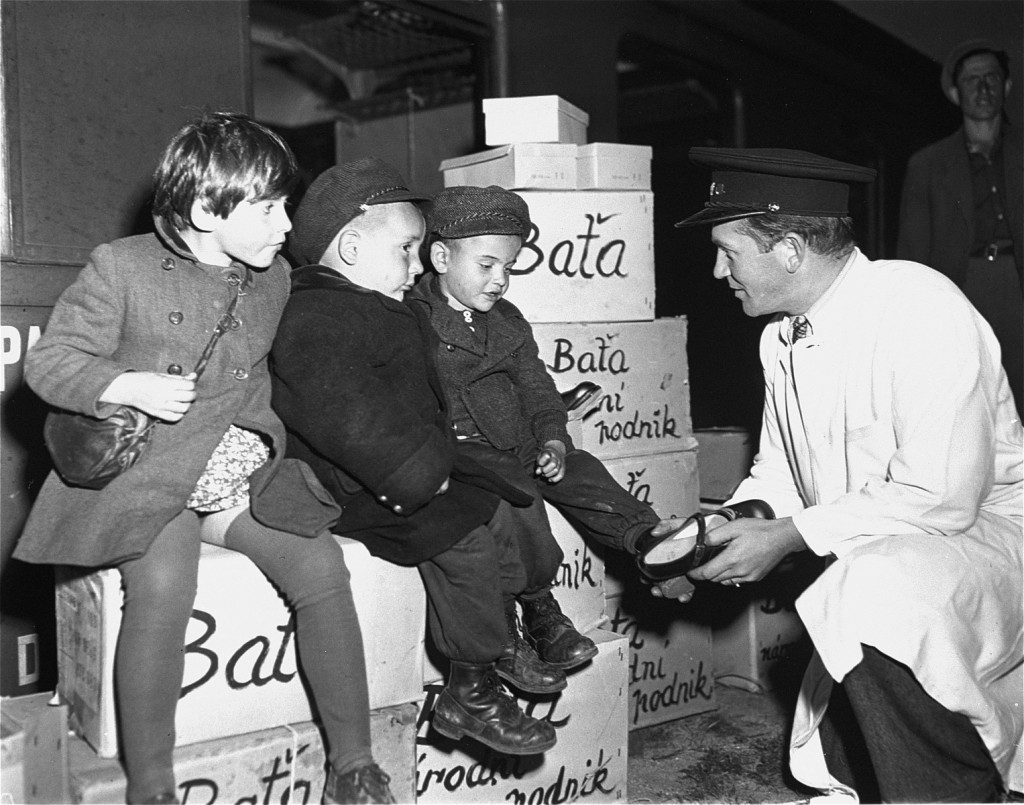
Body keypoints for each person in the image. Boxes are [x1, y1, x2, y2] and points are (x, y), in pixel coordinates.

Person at [13, 112, 394, 804]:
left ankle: (354, 764)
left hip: (232, 473)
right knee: (163, 589)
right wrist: (124, 385)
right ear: (202, 209)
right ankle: (151, 786)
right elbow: (48, 363)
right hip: (147, 477)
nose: (286, 224)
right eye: (270, 206)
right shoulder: (121, 266)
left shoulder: (274, 277)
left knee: (322, 568)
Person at [675, 146, 1023, 803]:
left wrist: (789, 536)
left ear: (789, 250)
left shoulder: (920, 306)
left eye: (729, 249)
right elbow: (777, 474)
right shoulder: (780, 339)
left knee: (870, 592)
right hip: (885, 552)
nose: (718, 269)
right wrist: (721, 527)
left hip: (988, 543)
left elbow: (943, 496)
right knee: (864, 599)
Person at [268, 158, 560, 759]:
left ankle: (508, 632)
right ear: (350, 247)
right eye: (405, 250)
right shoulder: (316, 313)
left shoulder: (377, 303)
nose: (414, 265)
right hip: (362, 483)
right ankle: (470, 684)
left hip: (412, 461)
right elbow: (346, 418)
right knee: (465, 537)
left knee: (507, 502)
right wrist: (422, 477)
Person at [407, 184, 693, 668]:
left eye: (509, 268)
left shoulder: (508, 320)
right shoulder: (412, 316)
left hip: (515, 438)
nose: (501, 280)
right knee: (520, 496)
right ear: (440, 257)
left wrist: (554, 440)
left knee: (582, 470)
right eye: (487, 265)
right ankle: (540, 609)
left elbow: (538, 388)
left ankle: (648, 541)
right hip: (462, 450)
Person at [897, 39, 1022, 418]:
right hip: (961, 292)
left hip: (1017, 286)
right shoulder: (928, 164)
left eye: (991, 78)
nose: (983, 88)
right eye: (972, 80)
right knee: (969, 404)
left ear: (1007, 86)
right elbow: (913, 253)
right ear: (955, 92)